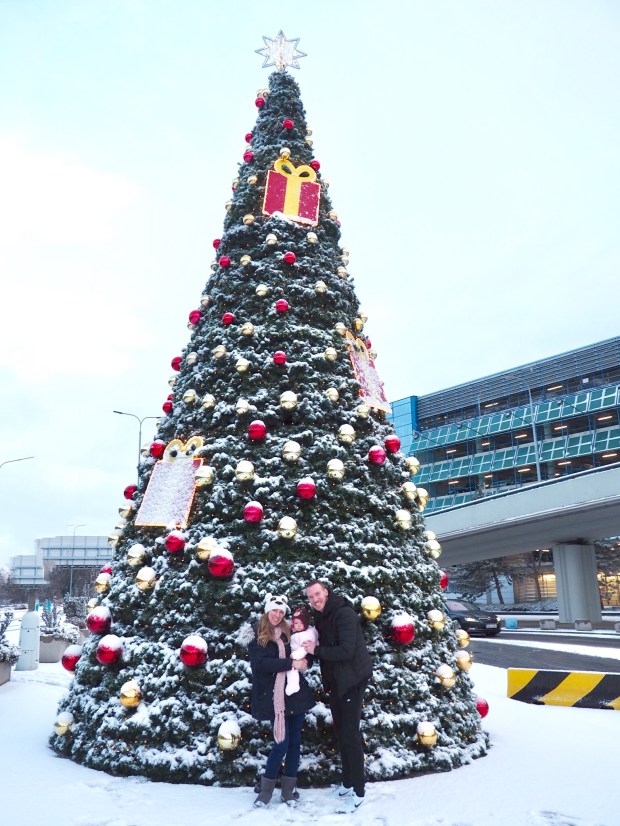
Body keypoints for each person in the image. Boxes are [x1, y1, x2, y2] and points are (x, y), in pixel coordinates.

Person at [303, 579, 373, 814]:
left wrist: (316, 651)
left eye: (317, 594)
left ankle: (359, 792)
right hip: (337, 682)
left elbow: (345, 650)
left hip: (352, 681)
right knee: (341, 733)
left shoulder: (343, 613)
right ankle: (348, 782)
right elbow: (321, 646)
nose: (314, 599)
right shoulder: (322, 616)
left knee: (351, 735)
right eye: (310, 597)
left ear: (326, 592)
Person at [248, 593, 315, 808]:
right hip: (274, 699)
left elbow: (301, 656)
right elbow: (262, 665)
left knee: (295, 743)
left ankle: (288, 790)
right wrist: (291, 664)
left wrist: (306, 659)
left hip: (295, 697)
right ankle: (266, 791)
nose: (277, 615)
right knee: (281, 744)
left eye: (281, 612)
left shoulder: (290, 634)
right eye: (274, 610)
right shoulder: (257, 636)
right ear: (267, 611)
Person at [285, 606, 319, 696]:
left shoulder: (306, 634)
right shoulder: (294, 631)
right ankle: (292, 684)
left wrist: (297, 655)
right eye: (296, 623)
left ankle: (293, 684)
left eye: (301, 623)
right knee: (291, 668)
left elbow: (306, 647)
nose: (299, 625)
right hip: (294, 655)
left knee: (291, 669)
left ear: (306, 623)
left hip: (298, 655)